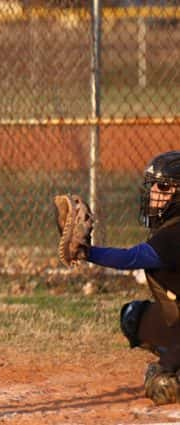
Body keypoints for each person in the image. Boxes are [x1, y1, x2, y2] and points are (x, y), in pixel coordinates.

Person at [88, 150, 180, 405]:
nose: (154, 194)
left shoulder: (175, 235)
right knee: (134, 317)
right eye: (153, 187)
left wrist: (88, 252)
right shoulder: (170, 228)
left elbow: (132, 258)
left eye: (164, 188)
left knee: (162, 385)